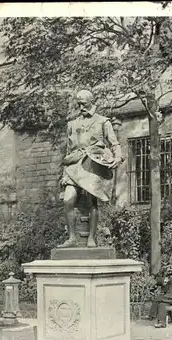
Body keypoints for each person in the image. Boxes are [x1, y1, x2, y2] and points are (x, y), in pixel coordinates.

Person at [59, 89, 123, 248]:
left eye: (83, 103)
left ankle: (91, 238)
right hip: (74, 165)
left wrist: (118, 157)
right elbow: (68, 152)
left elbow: (114, 143)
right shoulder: (72, 124)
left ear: (91, 101)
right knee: (68, 200)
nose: (80, 107)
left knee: (92, 202)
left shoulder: (103, 121)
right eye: (78, 104)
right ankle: (72, 237)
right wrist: (63, 174)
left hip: (93, 164)